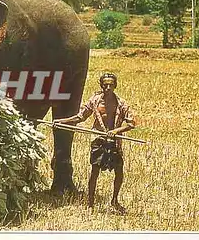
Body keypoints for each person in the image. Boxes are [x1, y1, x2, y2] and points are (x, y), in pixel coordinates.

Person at [53, 72, 136, 214]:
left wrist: (116, 131)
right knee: (95, 171)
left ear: (115, 86)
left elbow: (131, 123)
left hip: (115, 142)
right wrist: (61, 121)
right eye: (105, 85)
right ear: (101, 85)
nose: (108, 87)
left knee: (119, 172)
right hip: (99, 140)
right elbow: (80, 117)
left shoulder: (121, 103)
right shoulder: (95, 101)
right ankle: (90, 203)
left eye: (111, 85)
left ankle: (114, 200)